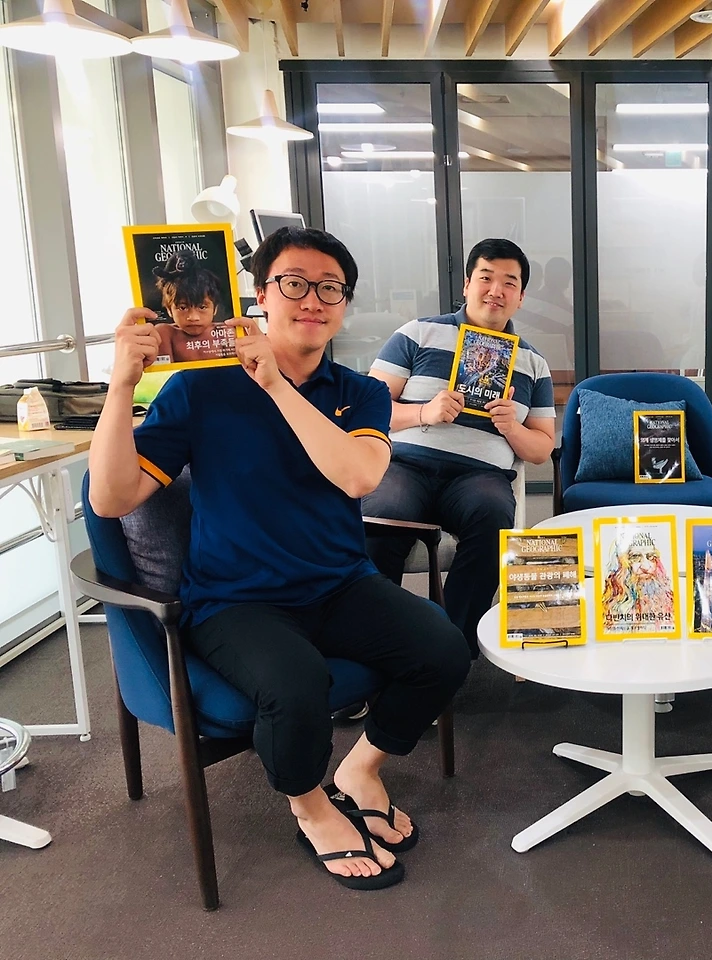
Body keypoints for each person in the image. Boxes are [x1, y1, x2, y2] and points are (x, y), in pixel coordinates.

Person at [88, 226, 471, 890]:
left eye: (331, 289)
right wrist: (121, 387)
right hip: (235, 600)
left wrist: (276, 386)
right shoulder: (197, 391)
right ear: (261, 296)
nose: (312, 300)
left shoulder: (361, 392)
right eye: (294, 283)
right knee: (296, 687)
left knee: (443, 649)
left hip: (339, 585)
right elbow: (112, 498)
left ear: (345, 305)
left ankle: (360, 770)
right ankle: (310, 805)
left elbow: (358, 476)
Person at [362, 238, 556, 657]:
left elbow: (542, 448)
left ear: (521, 297)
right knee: (382, 514)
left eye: (509, 283)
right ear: (467, 284)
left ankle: (449, 644)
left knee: (494, 519)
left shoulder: (532, 363)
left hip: (479, 477)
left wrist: (512, 427)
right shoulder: (418, 333)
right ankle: (375, 639)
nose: (496, 291)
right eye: (486, 278)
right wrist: (423, 412)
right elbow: (367, 408)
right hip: (406, 466)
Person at [151, 255, 236, 364]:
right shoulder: (165, 333)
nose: (193, 317)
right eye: (183, 308)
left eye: (202, 307)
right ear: (169, 310)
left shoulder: (225, 332)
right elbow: (164, 370)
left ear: (215, 309)